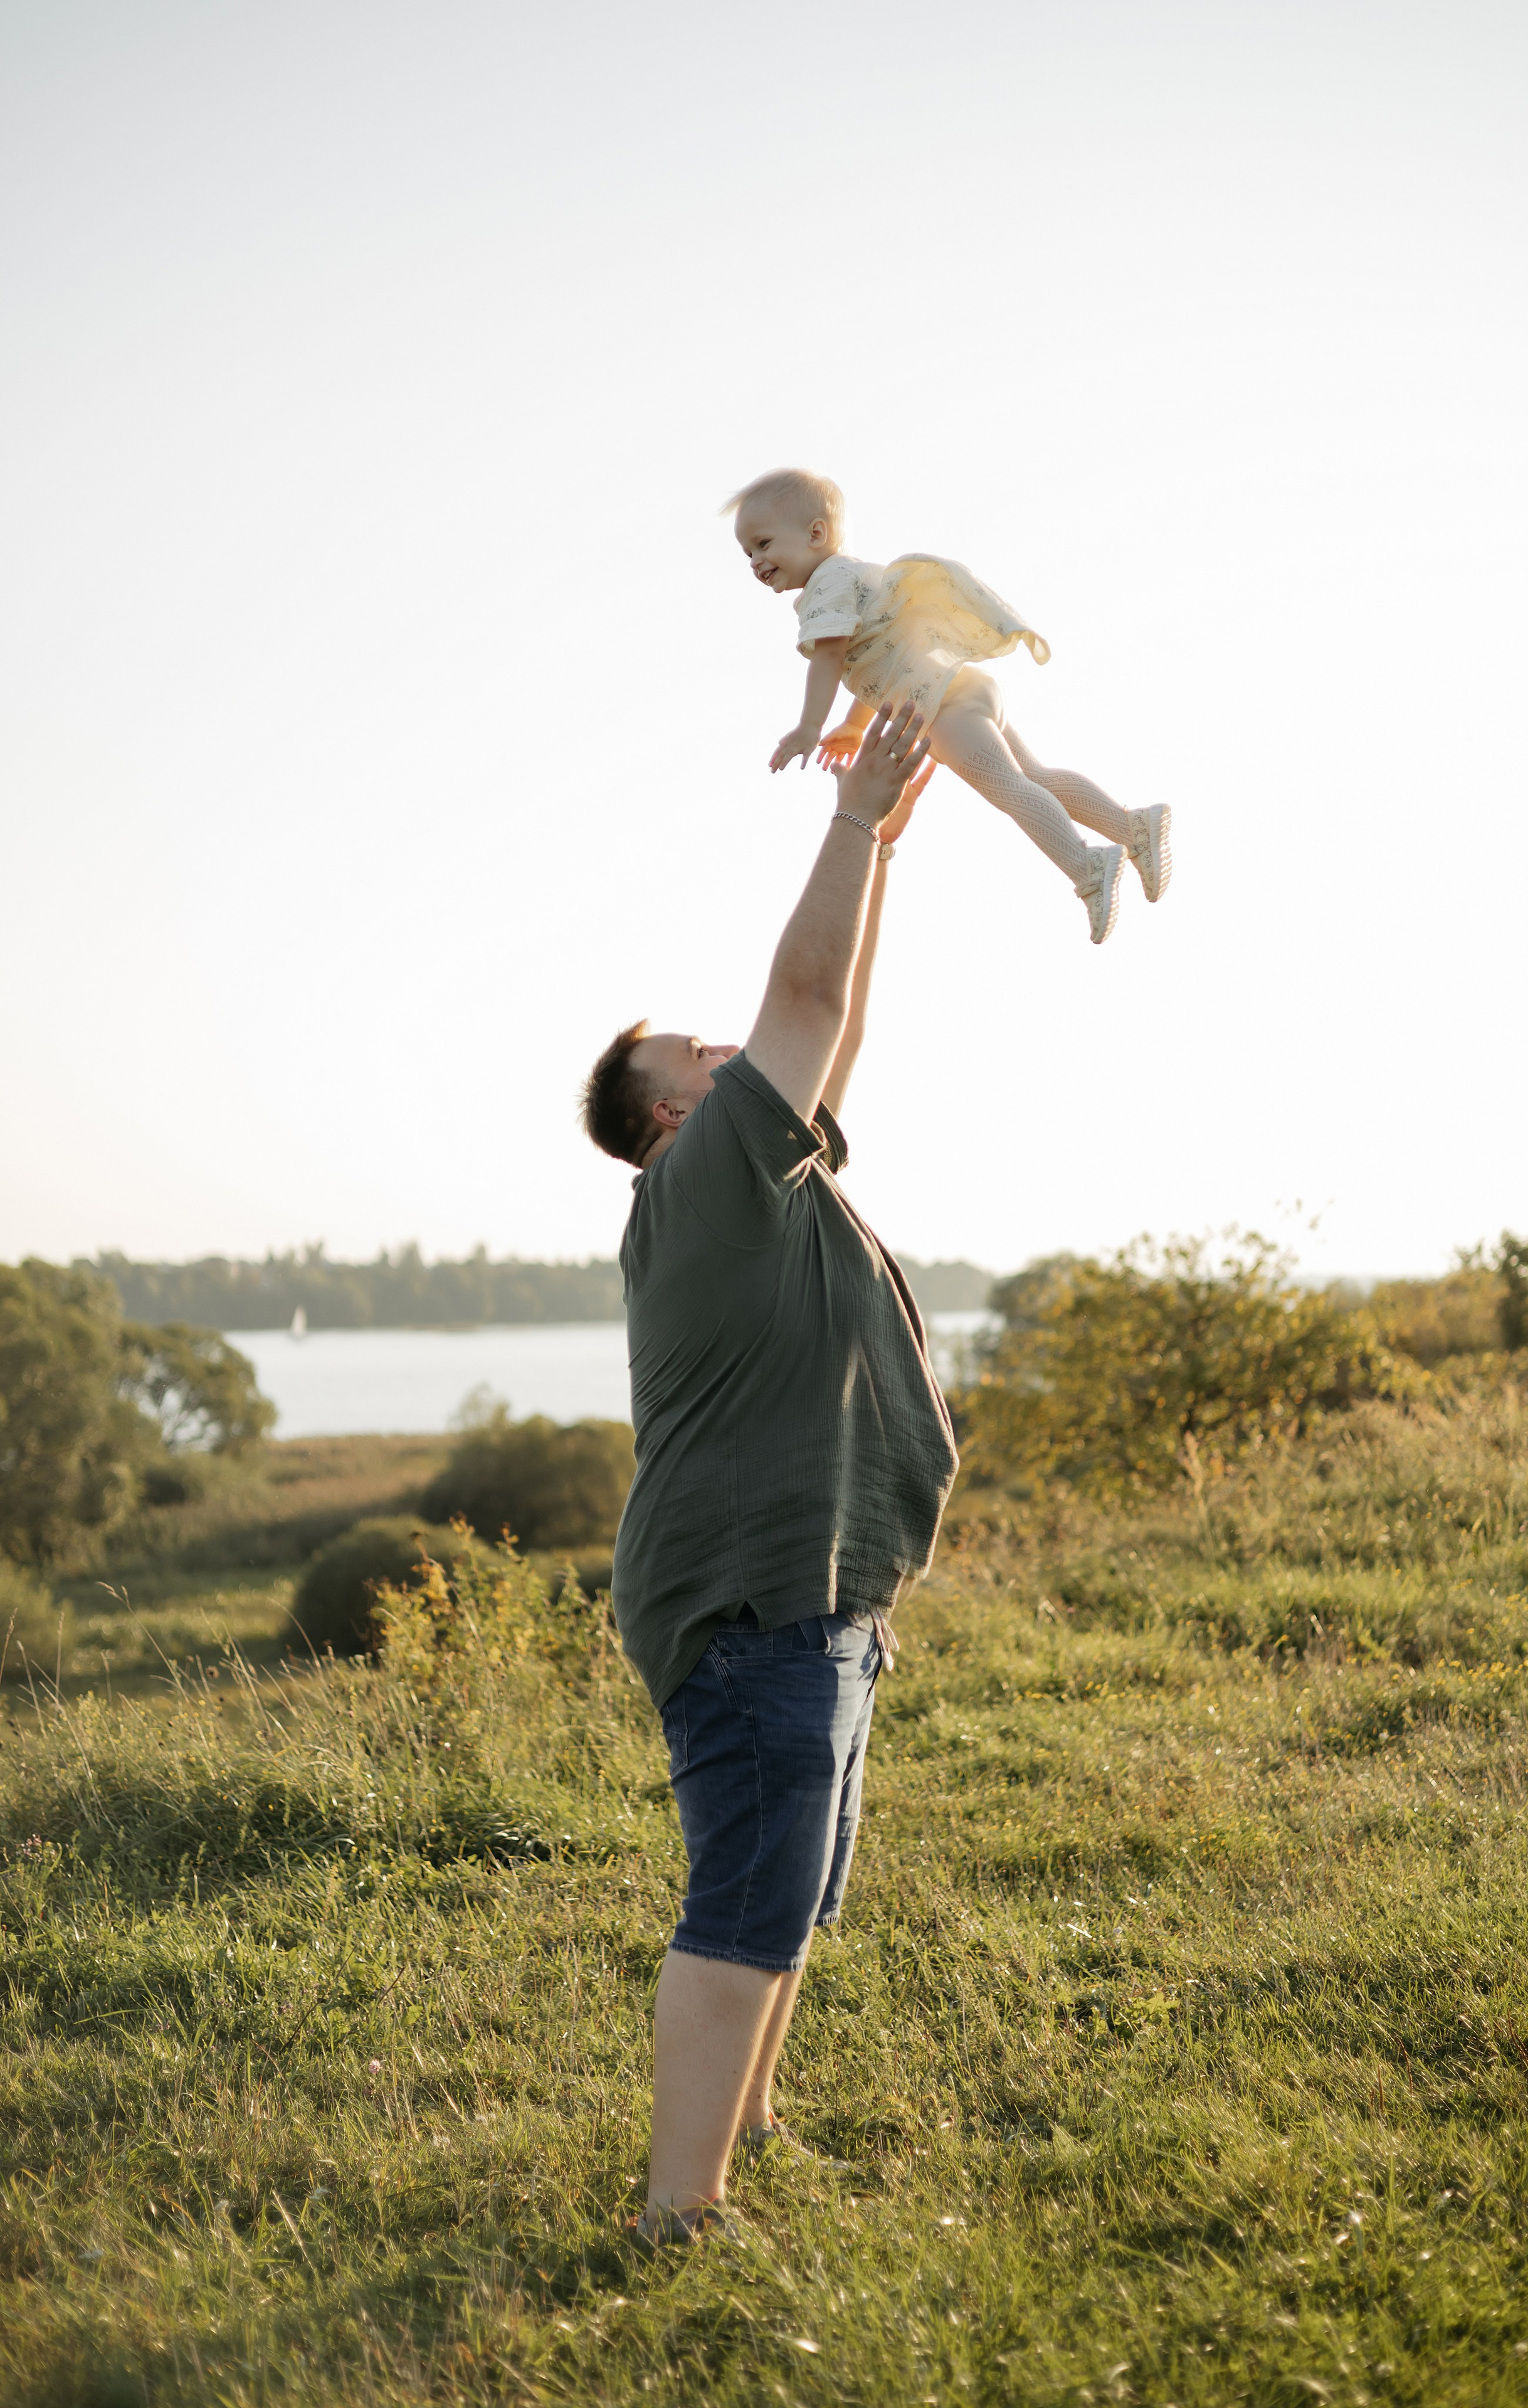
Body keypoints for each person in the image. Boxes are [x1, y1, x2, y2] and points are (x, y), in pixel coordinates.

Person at [580, 704, 959, 2250]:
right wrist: (853, 821)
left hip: (819, 1593)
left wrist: (874, 858)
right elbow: (803, 997)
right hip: (749, 1596)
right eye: (698, 1049)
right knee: (747, 1896)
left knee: (793, 1892)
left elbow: (832, 1014)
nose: (733, 1046)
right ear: (671, 1116)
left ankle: (749, 2124)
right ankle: (683, 2209)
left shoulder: (765, 1167)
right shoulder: (704, 1182)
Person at [725, 465, 1173, 946]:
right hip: (961, 689)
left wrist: (809, 726)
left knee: (1007, 787)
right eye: (748, 552)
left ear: (816, 533)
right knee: (1035, 777)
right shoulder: (848, 576)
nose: (755, 560)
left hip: (940, 708)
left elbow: (832, 657)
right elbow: (874, 660)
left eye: (764, 544)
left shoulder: (826, 588)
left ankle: (1088, 866)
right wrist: (855, 726)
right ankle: (1134, 827)